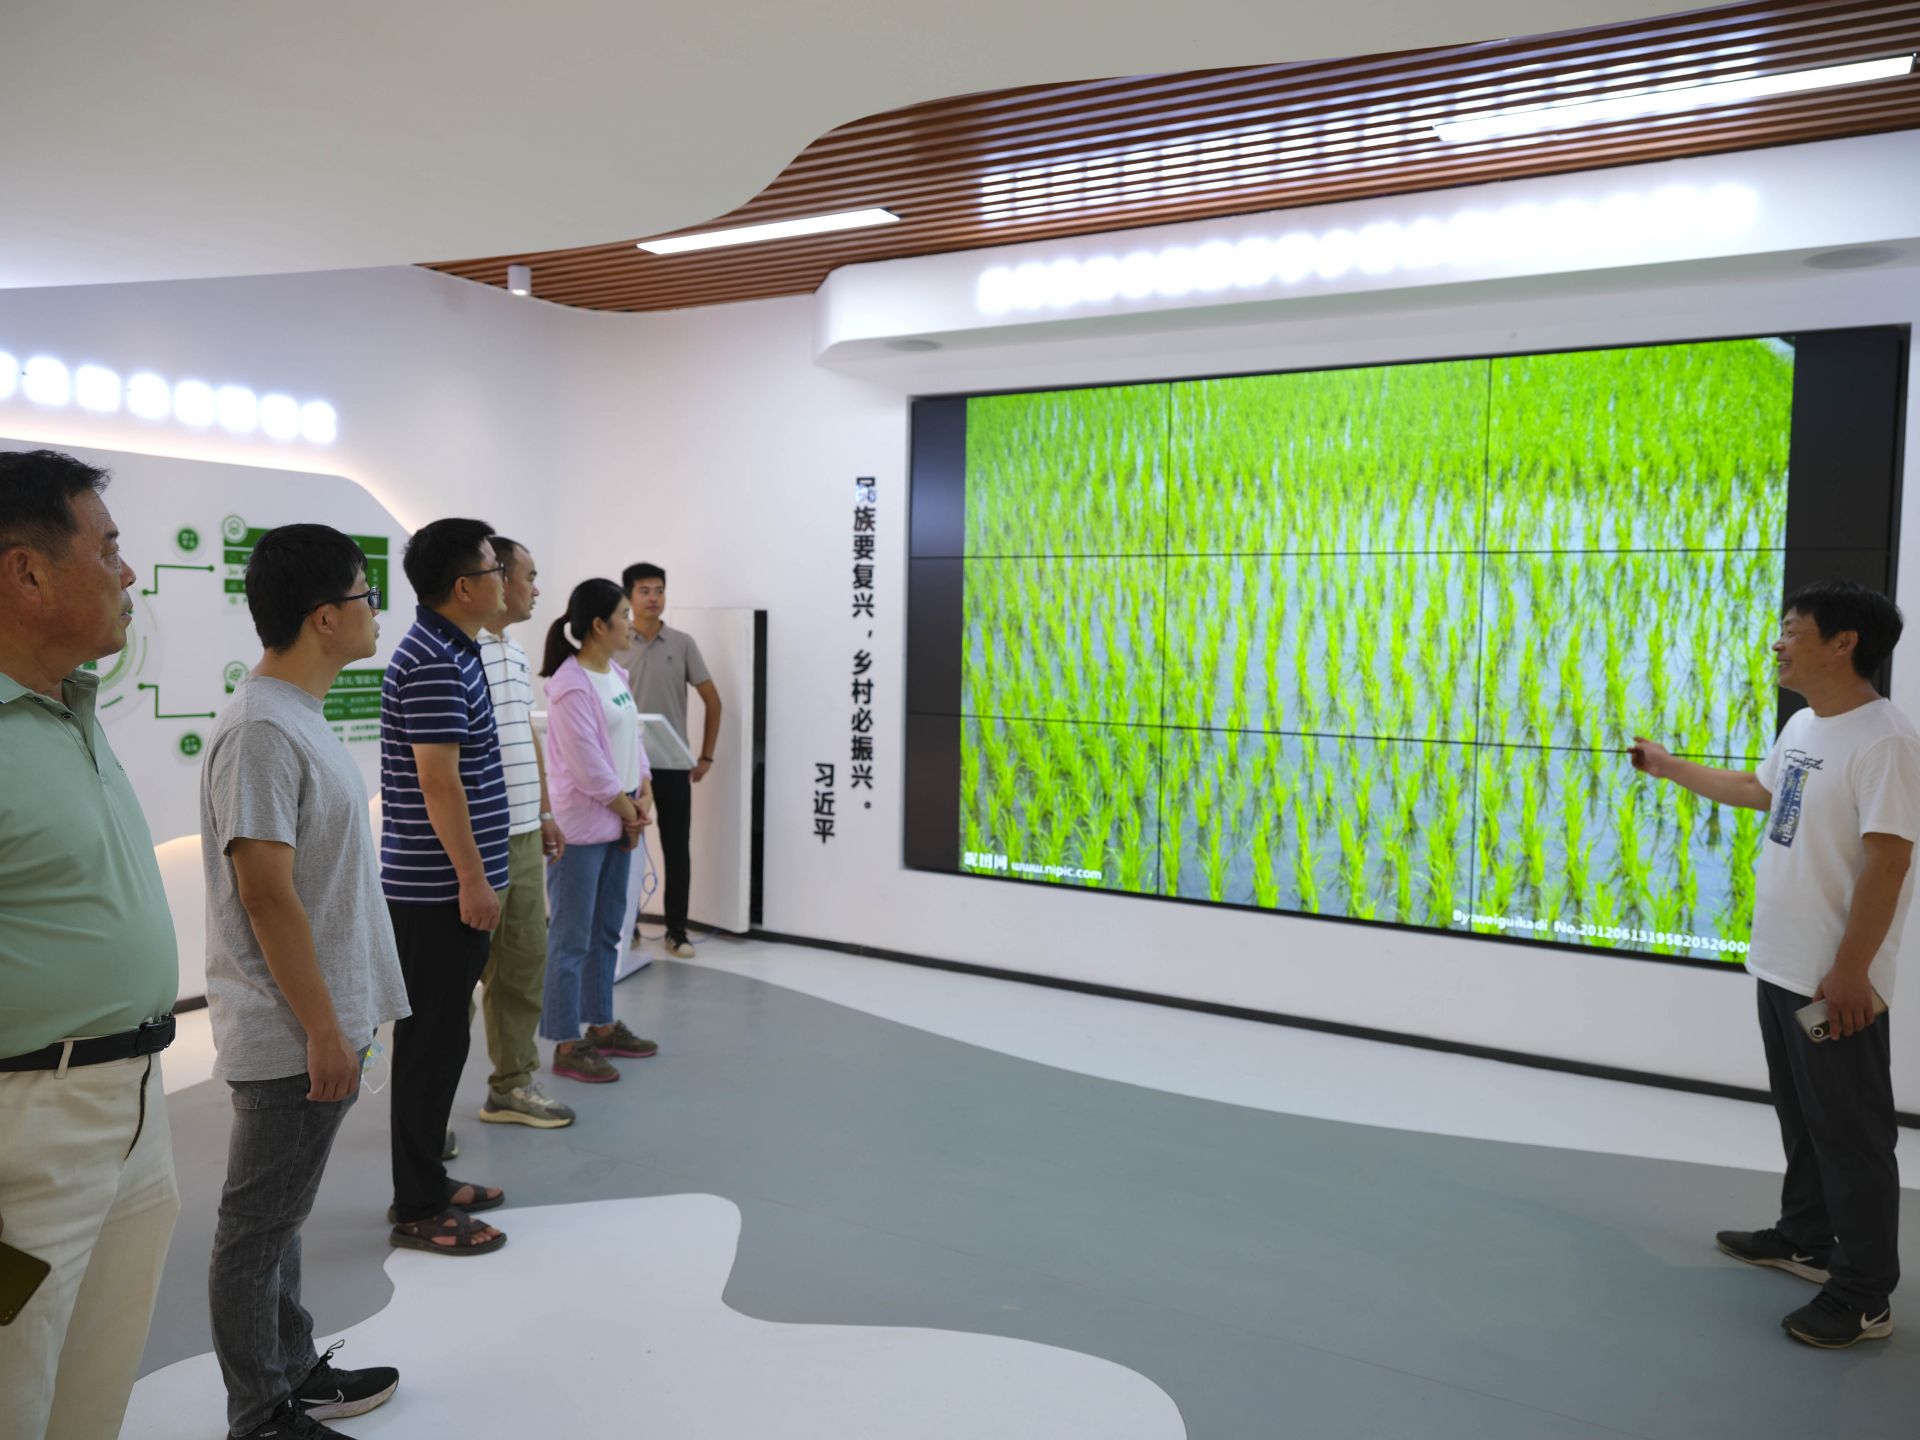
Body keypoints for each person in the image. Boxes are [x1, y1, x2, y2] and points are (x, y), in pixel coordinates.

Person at [1631, 580, 1917, 1349]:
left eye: (1793, 629)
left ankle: (1864, 1295)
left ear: (1843, 643)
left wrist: (1851, 972)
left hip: (1835, 983)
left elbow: (1889, 863)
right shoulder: (1804, 725)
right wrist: (1668, 767)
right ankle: (1805, 1238)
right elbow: (1760, 792)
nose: (1778, 642)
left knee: (1851, 1135)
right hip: (1781, 967)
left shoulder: (1885, 741)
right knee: (1804, 1117)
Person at [201, 524, 410, 1438]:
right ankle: (261, 1413)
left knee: (280, 1223)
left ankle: (291, 1370)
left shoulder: (294, 716)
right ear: (325, 617)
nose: (376, 611)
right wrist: (323, 1027)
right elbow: (265, 892)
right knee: (256, 1233)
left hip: (319, 1019)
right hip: (292, 1030)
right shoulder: (261, 729)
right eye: (367, 595)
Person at [0, 449, 181, 1440]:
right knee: (12, 1388)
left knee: (94, 1385)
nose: (128, 573)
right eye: (108, 550)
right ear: (28, 573)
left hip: (134, 1103)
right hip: (28, 1129)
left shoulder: (68, 705)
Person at [378, 519, 511, 1255]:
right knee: (430, 1044)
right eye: (495, 569)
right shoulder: (433, 660)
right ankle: (418, 1203)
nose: (505, 580)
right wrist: (472, 878)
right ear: (465, 587)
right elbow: (439, 782)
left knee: (442, 1040)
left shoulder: (452, 649)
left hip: (444, 887)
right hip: (436, 892)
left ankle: (427, 1177)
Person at [472, 536, 575, 1129]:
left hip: (523, 833)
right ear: (497, 579)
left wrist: (543, 812)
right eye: (530, 577)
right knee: (457, 982)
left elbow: (523, 734)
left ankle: (511, 1085)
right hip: (479, 839)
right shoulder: (461, 652)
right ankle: (424, 1116)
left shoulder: (510, 651)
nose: (537, 589)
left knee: (522, 964)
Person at [542, 579, 658, 1083]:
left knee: (608, 931)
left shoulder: (616, 673)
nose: (632, 623)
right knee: (572, 939)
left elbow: (634, 738)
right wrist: (630, 810)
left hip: (620, 818)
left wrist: (644, 789)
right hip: (585, 829)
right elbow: (589, 768)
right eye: (624, 615)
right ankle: (567, 1042)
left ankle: (602, 1025)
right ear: (597, 625)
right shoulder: (570, 686)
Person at [618, 562, 721, 958]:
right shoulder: (617, 642)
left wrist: (706, 755)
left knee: (677, 848)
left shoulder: (682, 643)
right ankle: (626, 928)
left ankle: (677, 931)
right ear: (629, 596)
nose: (653, 598)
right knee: (625, 848)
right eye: (644, 590)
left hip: (674, 765)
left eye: (659, 590)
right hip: (628, 766)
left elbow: (713, 700)